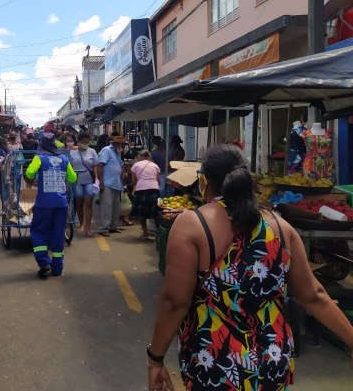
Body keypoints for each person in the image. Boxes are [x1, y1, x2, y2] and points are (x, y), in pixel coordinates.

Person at [146, 144, 353, 391]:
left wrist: (156, 358)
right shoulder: (281, 228)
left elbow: (174, 302)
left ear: (203, 181)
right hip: (272, 363)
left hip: (215, 365)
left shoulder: (192, 225)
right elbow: (314, 296)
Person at [25, 123, 77, 277]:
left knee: (39, 230)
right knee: (58, 233)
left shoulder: (39, 158)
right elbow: (73, 178)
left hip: (44, 204)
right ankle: (57, 268)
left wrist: (36, 176)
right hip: (61, 204)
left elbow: (29, 173)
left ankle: (43, 261)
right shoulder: (64, 159)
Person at [69, 132, 98, 237]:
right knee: (79, 203)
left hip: (89, 181)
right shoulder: (72, 153)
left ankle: (88, 228)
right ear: (79, 142)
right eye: (84, 142)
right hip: (77, 182)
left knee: (88, 203)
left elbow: (95, 166)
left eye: (87, 142)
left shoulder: (92, 152)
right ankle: (81, 224)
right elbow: (70, 166)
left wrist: (97, 178)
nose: (86, 144)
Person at [96, 135, 126, 236]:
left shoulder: (117, 153)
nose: (122, 146)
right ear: (116, 144)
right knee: (107, 207)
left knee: (115, 207)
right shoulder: (107, 150)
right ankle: (104, 228)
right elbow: (100, 165)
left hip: (116, 183)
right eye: (121, 144)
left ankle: (113, 226)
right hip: (108, 183)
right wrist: (101, 181)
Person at [130, 150, 160, 241]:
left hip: (141, 189)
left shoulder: (136, 165)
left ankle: (145, 234)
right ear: (149, 157)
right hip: (154, 189)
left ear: (139, 156)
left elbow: (133, 181)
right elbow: (158, 180)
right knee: (155, 212)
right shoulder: (155, 166)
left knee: (141, 213)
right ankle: (159, 234)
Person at [0, 137, 10, 215]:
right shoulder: (7, 150)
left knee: (3, 192)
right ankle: (7, 208)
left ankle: (4, 209)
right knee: (7, 192)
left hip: (1, 173)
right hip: (8, 173)